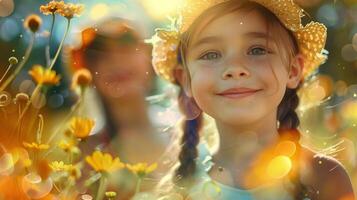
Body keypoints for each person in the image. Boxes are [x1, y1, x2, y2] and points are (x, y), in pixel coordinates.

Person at [149, 0, 356, 199]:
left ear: (293, 71)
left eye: (257, 50)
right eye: (211, 54)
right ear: (185, 79)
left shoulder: (323, 177)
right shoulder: (182, 186)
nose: (235, 69)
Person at [70, 18, 169, 199]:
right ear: (86, 69)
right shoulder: (86, 152)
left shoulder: (187, 133)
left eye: (126, 44)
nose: (115, 59)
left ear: (151, 54)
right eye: (99, 53)